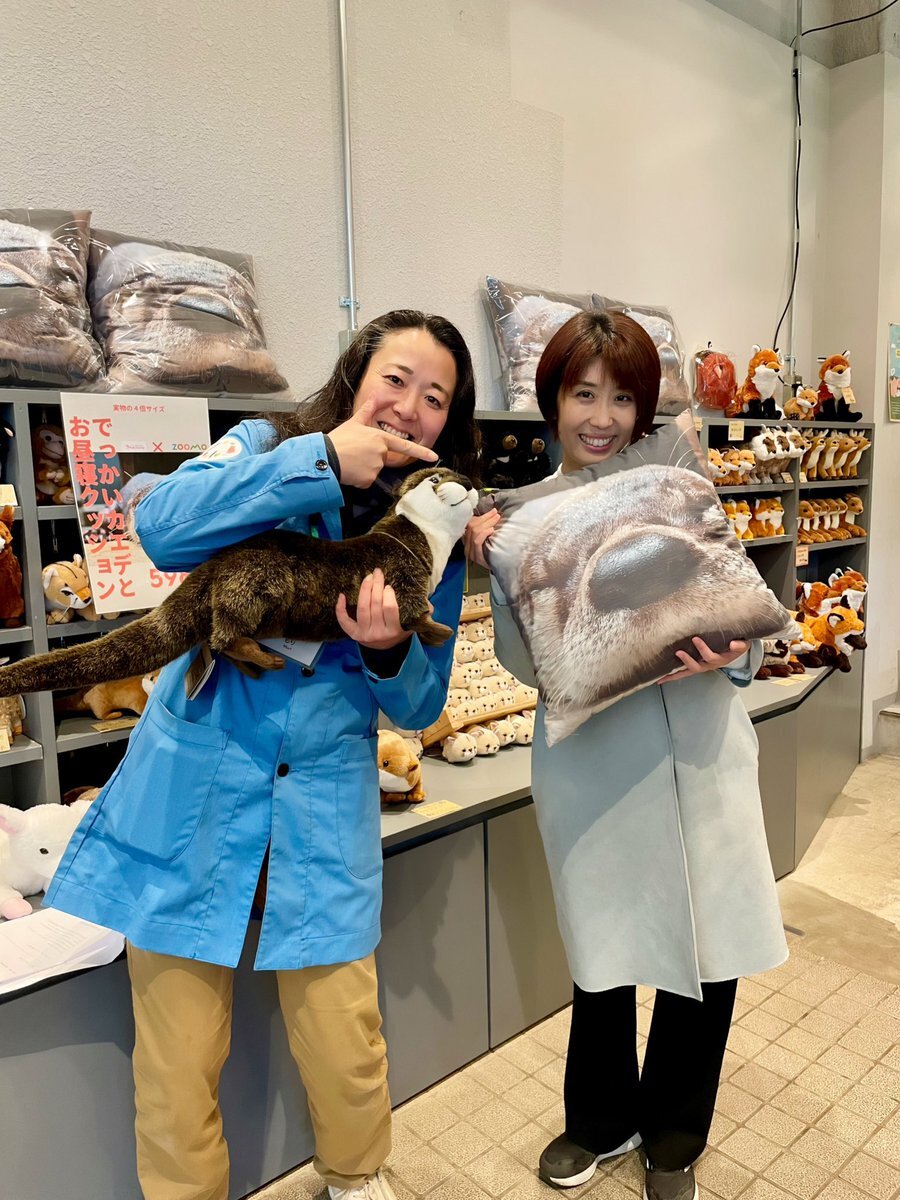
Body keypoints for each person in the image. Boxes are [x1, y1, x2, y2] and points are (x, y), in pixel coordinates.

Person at [46, 309, 480, 1200]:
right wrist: (317, 461)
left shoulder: (433, 529)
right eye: (396, 379)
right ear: (356, 374)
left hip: (321, 805)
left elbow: (421, 704)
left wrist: (390, 650)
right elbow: (161, 526)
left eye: (436, 398)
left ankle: (356, 1179)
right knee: (176, 1057)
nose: (411, 408)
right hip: (192, 794)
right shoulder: (266, 443)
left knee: (345, 1041)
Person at [466, 310, 787, 1200]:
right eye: (583, 394)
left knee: (709, 942)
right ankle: (600, 1122)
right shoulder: (522, 519)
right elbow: (524, 664)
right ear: (553, 402)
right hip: (594, 766)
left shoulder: (682, 485)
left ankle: (676, 1134)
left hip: (704, 752)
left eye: (621, 398)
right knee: (601, 948)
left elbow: (745, 608)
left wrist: (737, 652)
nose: (601, 417)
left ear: (645, 407)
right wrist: (499, 570)